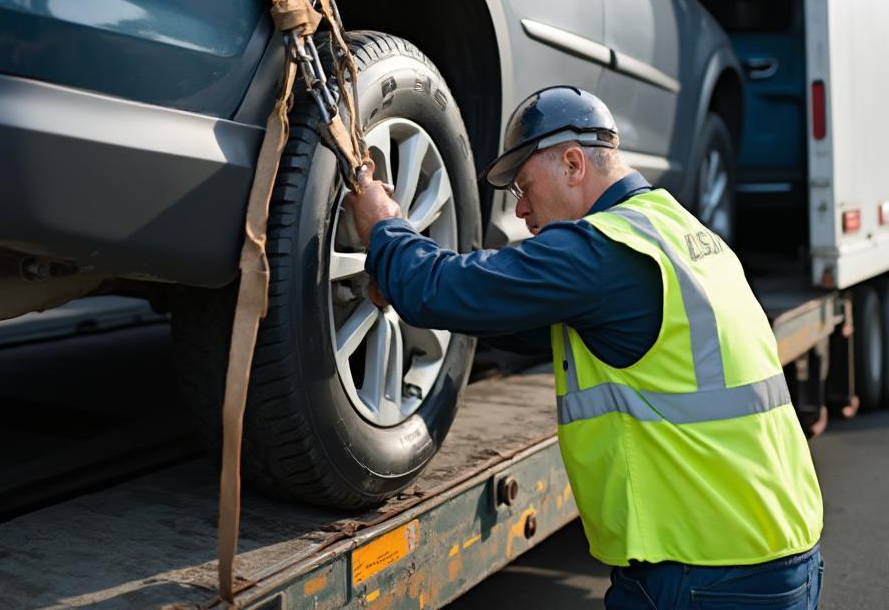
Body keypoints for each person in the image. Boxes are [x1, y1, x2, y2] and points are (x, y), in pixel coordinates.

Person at [346, 85, 824, 610]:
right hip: (780, 552)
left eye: (525, 186)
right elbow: (509, 313)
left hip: (706, 573)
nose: (521, 209)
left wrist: (386, 229)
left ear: (573, 164)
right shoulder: (682, 233)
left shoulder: (602, 251)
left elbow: (447, 291)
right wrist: (411, 284)